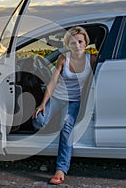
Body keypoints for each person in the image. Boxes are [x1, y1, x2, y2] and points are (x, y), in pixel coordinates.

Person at [32, 26, 96, 185]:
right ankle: (54, 121)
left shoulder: (92, 60)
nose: (77, 46)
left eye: (80, 42)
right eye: (73, 43)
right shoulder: (63, 59)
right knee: (38, 120)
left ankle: (60, 169)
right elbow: (52, 82)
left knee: (66, 126)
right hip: (57, 98)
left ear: (86, 42)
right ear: (69, 45)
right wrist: (43, 103)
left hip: (74, 101)